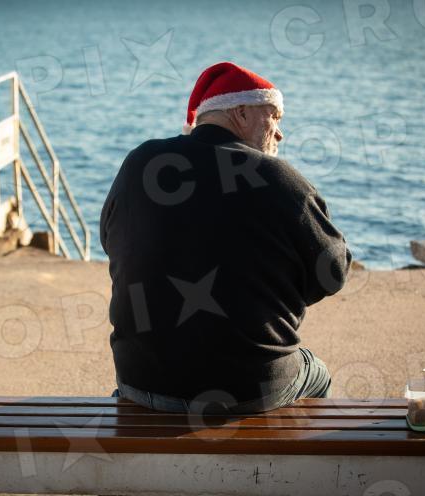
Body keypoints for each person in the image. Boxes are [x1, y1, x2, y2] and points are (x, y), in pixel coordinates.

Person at [100, 62, 352, 414]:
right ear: (242, 112)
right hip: (249, 388)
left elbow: (110, 240)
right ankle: (302, 450)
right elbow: (333, 272)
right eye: (275, 116)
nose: (280, 134)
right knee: (317, 372)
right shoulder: (279, 179)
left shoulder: (139, 162)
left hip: (140, 381)